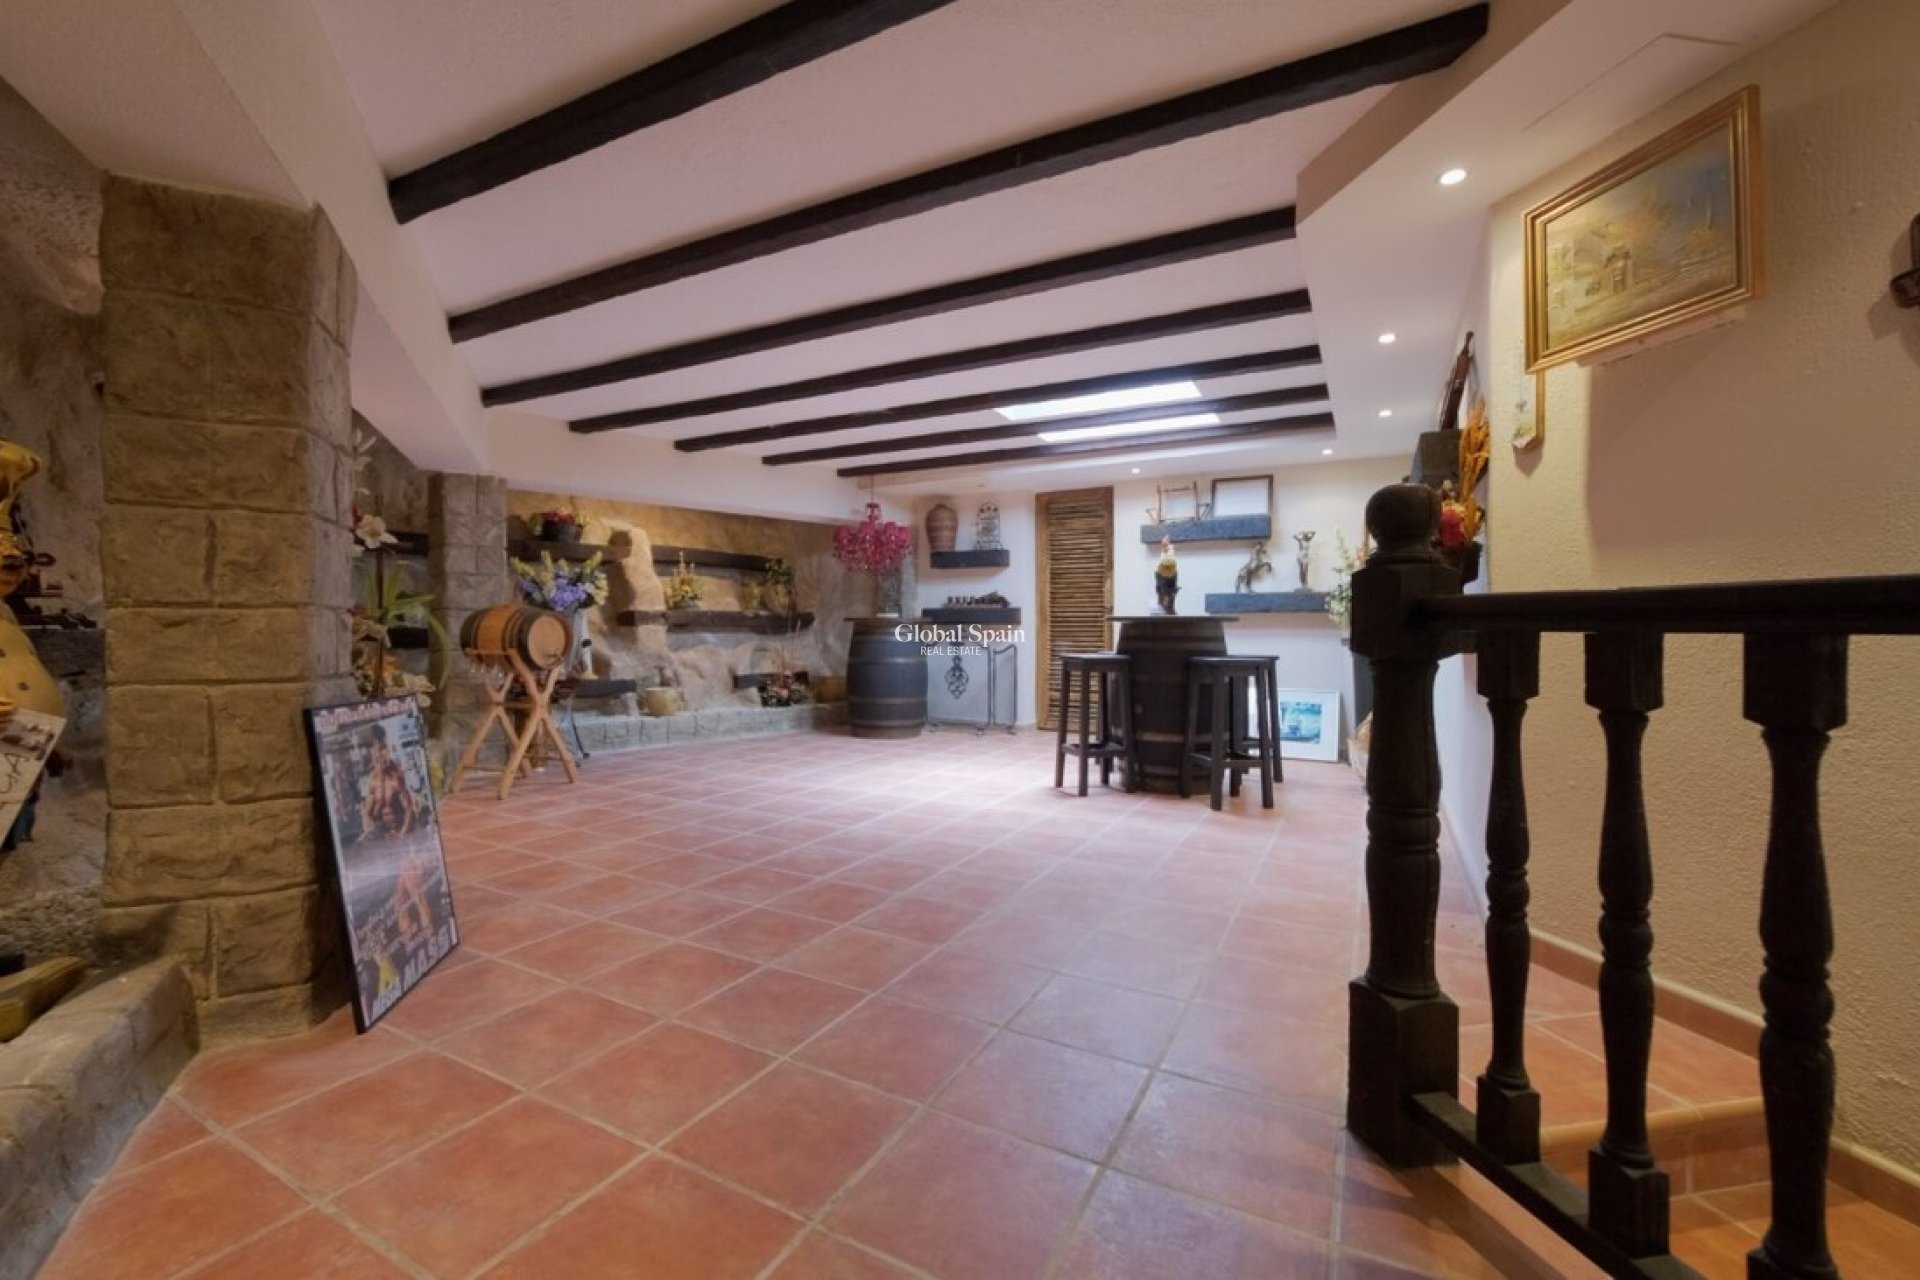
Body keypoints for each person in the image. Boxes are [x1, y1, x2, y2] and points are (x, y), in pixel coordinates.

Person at [359, 725, 419, 839]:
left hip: (402, 830)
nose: (380, 755)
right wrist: (370, 829)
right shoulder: (372, 780)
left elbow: (409, 810)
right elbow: (367, 813)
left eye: (383, 750)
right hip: (383, 833)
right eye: (376, 752)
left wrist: (401, 836)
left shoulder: (395, 778)